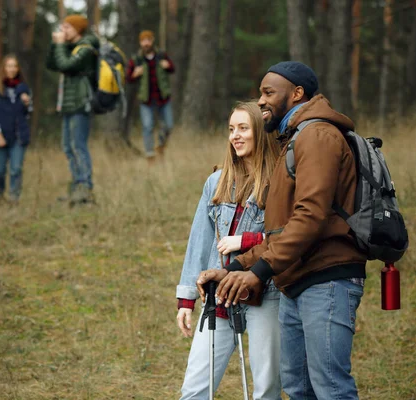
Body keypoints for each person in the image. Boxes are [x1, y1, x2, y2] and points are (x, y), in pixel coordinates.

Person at [199, 61, 367, 400]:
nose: (260, 100)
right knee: (298, 389)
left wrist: (259, 271)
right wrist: (235, 268)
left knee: (330, 389)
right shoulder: (293, 139)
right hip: (297, 280)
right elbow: (281, 231)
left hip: (327, 280)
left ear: (297, 94)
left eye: (268, 93)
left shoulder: (317, 136)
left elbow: (310, 217)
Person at [177, 102, 282, 400]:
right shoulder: (216, 182)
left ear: (260, 134)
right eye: (231, 129)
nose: (235, 136)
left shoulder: (279, 182)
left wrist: (247, 240)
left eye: (243, 128)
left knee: (266, 389)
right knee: (195, 389)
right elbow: (199, 240)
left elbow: (288, 235)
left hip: (266, 292)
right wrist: (186, 298)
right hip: (219, 294)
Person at [46, 14, 99, 206]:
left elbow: (66, 64)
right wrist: (56, 45)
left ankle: (85, 188)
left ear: (78, 29)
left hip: (80, 104)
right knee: (68, 148)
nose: (63, 31)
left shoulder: (86, 48)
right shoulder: (71, 48)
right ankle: (76, 187)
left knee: (78, 146)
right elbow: (52, 64)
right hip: (68, 105)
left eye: (67, 27)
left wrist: (59, 46)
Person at [0, 54, 32, 205]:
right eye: (9, 66)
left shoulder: (24, 89)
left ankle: (14, 199)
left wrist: (27, 103)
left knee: (16, 169)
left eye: (15, 66)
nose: (12, 69)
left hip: (18, 136)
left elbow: (29, 113)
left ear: (18, 69)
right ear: (3, 68)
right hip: (0, 136)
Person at [126, 30, 175, 164]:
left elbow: (172, 69)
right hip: (146, 99)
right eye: (143, 40)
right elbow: (128, 78)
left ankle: (160, 145)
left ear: (152, 41)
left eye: (148, 40)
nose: (146, 43)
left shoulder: (161, 55)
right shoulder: (136, 59)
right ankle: (150, 156)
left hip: (163, 97)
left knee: (169, 125)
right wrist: (134, 74)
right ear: (140, 43)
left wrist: (168, 65)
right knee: (147, 127)